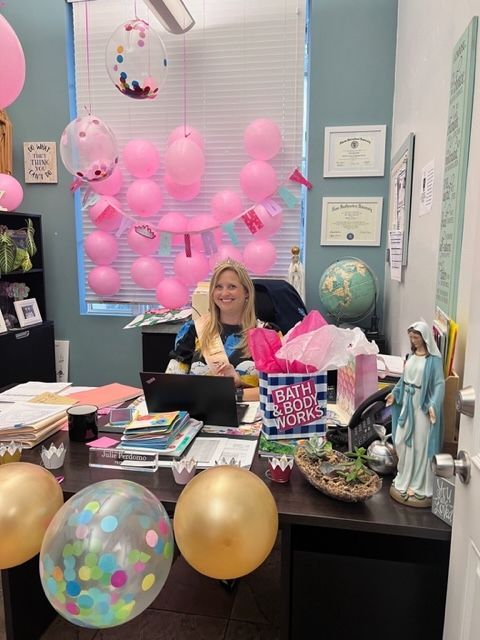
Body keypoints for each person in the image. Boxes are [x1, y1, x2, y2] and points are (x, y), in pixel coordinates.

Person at [165, 259, 277, 402]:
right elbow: (171, 383)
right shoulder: (193, 330)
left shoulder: (266, 334)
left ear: (247, 292)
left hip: (250, 417)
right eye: (218, 287)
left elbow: (279, 390)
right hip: (200, 415)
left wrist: (237, 388)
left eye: (232, 286)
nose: (224, 293)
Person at [386, 321, 445, 508]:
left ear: (425, 337)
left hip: (421, 407)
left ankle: (418, 485)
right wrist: (395, 394)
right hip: (407, 405)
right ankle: (404, 476)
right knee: (401, 441)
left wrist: (434, 405)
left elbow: (439, 384)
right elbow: (403, 380)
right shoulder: (412, 356)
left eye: (416, 337)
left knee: (419, 445)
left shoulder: (433, 361)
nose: (413, 340)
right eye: (411, 337)